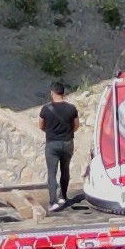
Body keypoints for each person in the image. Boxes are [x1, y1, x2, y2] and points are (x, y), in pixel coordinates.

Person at [37, 83, 80, 211]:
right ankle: (63, 196)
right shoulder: (72, 109)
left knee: (52, 172)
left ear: (52, 93)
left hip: (52, 144)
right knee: (65, 169)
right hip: (67, 143)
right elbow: (76, 126)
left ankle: (53, 202)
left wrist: (50, 132)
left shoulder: (45, 109)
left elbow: (40, 126)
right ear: (63, 93)